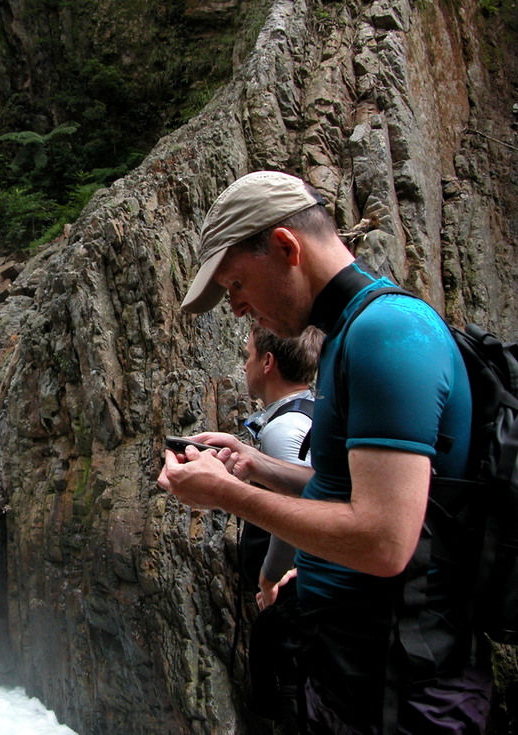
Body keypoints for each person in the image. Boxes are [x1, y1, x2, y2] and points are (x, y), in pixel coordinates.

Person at [157, 171, 491, 733]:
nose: (236, 308)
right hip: (357, 669)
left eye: (236, 284)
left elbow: (384, 541)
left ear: (286, 247)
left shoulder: (387, 332)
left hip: (401, 691)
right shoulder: (350, 333)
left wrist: (228, 494)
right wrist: (255, 465)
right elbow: (347, 494)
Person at [240, 324, 322, 611]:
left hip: (293, 591)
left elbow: (295, 509)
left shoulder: (284, 428)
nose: (244, 365)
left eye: (248, 356)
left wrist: (270, 577)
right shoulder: (309, 407)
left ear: (267, 362)